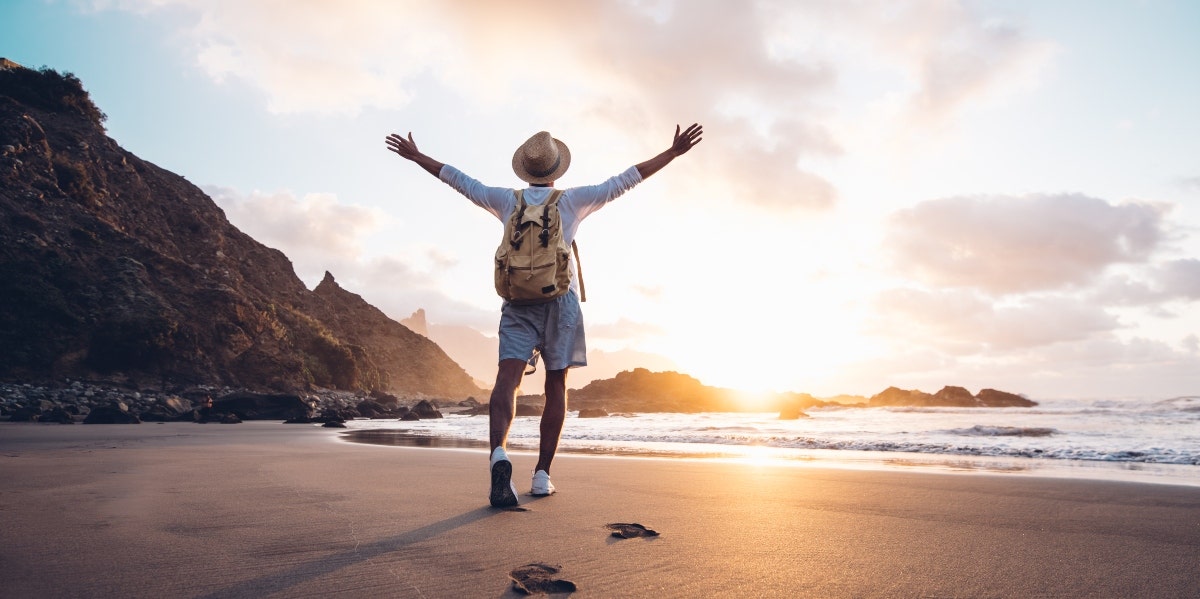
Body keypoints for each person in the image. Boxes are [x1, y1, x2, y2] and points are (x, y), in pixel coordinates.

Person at [385, 123, 703, 507]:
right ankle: (541, 476)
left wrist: (418, 156)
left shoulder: (505, 200)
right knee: (556, 384)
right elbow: (626, 180)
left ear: (526, 169)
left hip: (518, 303)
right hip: (560, 303)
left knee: (508, 379)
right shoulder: (573, 201)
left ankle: (499, 455)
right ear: (555, 171)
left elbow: (459, 180)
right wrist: (671, 153)